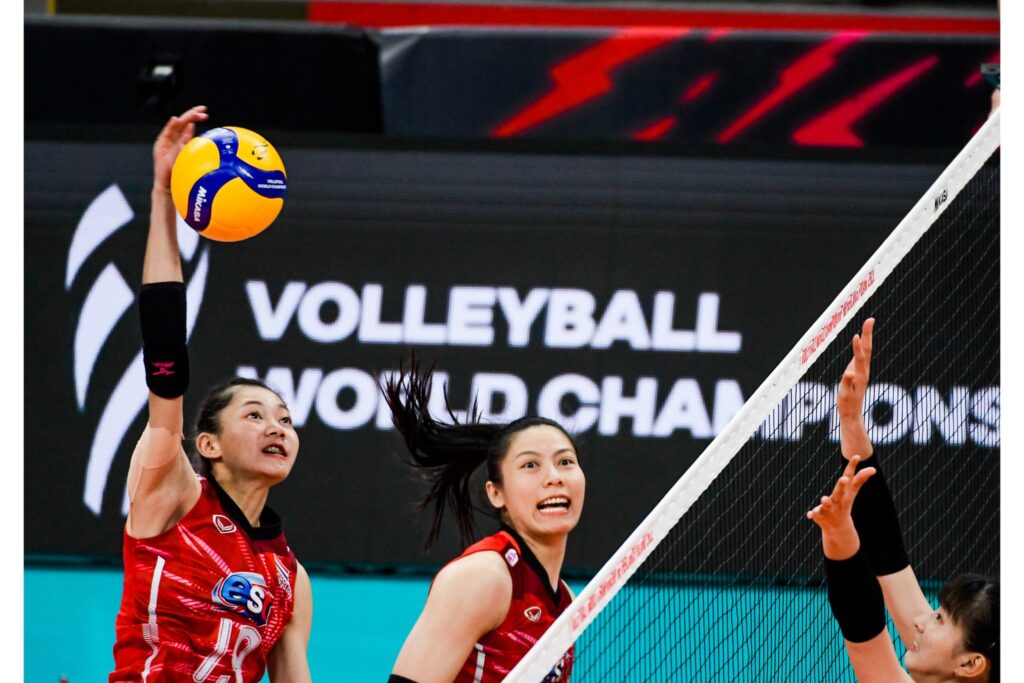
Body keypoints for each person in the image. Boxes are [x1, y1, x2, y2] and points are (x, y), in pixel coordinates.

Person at [109, 105, 313, 682]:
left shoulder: (290, 576)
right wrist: (162, 198)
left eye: (285, 419)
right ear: (209, 444)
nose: (277, 428)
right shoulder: (173, 493)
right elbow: (164, 349)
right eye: (255, 415)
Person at [807, 318, 998, 682]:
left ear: (970, 664)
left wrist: (838, 531)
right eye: (936, 612)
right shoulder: (955, 664)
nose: (921, 621)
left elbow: (862, 623)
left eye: (940, 619)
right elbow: (886, 553)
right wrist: (851, 419)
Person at [381, 361, 583, 683]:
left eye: (566, 461)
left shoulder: (565, 600)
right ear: (496, 493)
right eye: (530, 465)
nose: (554, 477)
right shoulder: (483, 577)